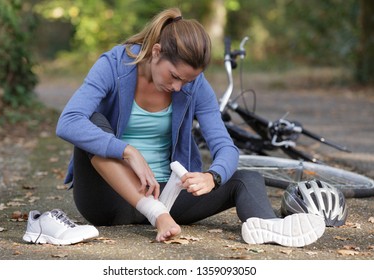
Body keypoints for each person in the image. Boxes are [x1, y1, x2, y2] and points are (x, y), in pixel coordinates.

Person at [56, 7, 325, 247]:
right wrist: (128, 151)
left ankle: (269, 226)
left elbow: (225, 147)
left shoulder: (194, 85)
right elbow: (68, 122)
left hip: (170, 197)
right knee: (91, 123)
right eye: (174, 76)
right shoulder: (115, 65)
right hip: (109, 198)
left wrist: (212, 177)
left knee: (247, 178)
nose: (177, 88)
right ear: (157, 52)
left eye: (185, 82)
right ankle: (155, 213)